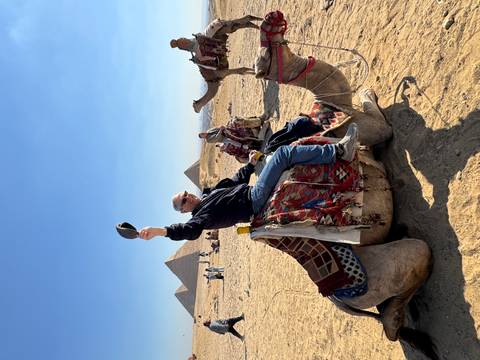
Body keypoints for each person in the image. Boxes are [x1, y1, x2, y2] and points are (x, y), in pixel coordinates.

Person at [135, 124, 358, 241]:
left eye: (186, 193)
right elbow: (189, 231)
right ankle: (338, 151)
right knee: (281, 155)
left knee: (273, 145)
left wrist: (251, 165)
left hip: (252, 190)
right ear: (184, 211)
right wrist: (159, 231)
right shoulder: (200, 218)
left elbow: (236, 179)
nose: (188, 196)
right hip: (254, 200)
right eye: (184, 200)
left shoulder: (209, 194)